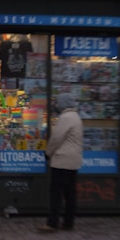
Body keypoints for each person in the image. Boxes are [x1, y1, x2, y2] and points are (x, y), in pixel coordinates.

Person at [38, 93, 83, 232]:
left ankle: (52, 223)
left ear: (63, 104)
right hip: (73, 161)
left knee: (56, 194)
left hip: (62, 160)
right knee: (70, 194)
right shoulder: (76, 117)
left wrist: (48, 153)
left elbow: (56, 138)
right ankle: (68, 222)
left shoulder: (65, 118)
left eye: (58, 102)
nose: (56, 105)